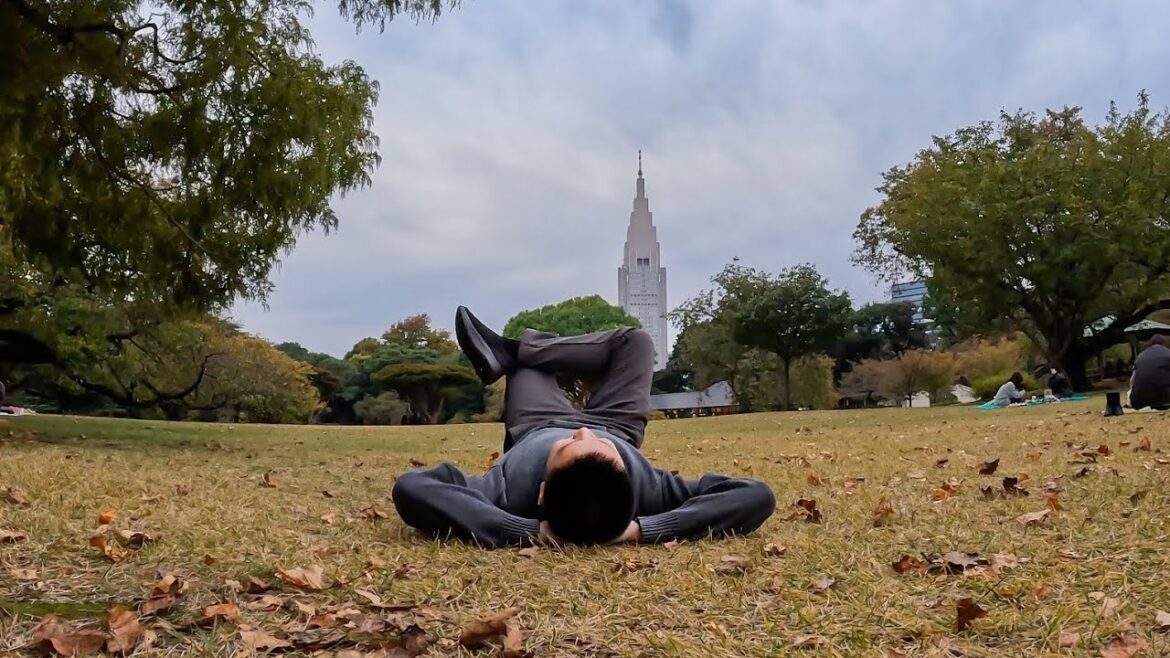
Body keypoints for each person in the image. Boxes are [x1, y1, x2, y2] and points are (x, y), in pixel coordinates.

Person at [391, 307, 776, 548]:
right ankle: (513, 349)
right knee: (637, 341)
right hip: (617, 423)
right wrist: (644, 529)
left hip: (536, 421)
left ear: (542, 494)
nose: (582, 433)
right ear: (626, 473)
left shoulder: (507, 493)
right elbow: (756, 496)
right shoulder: (651, 491)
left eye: (566, 448)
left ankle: (516, 354)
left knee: (529, 366)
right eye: (601, 451)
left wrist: (526, 532)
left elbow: (413, 488)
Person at [1127, 334, 1170, 410]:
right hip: (1164, 398)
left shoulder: (1140, 356)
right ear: (1165, 343)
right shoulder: (1168, 353)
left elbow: (1132, 381)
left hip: (1138, 401)